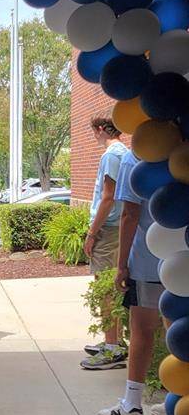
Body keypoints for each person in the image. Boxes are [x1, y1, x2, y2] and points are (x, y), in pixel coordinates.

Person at [97, 147, 169, 415]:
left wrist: (121, 265)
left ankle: (131, 406)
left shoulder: (134, 157)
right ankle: (179, 397)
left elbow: (129, 212)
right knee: (177, 328)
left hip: (147, 262)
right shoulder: (178, 149)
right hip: (181, 259)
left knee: (142, 331)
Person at [80, 116, 128, 370]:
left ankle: (112, 349)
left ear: (100, 129)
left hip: (107, 230)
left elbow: (107, 198)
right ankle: (115, 342)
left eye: (94, 132)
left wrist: (91, 233)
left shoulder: (111, 155)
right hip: (116, 228)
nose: (94, 137)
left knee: (106, 289)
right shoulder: (124, 152)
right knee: (112, 287)